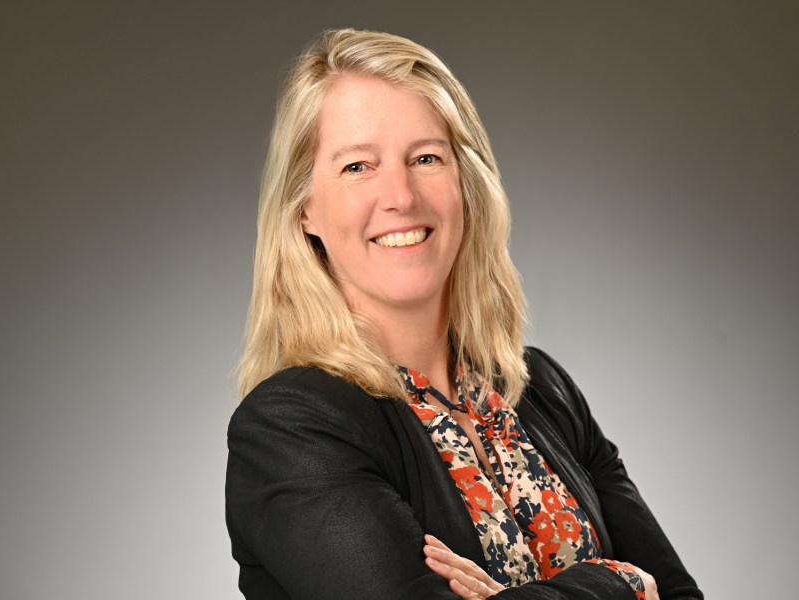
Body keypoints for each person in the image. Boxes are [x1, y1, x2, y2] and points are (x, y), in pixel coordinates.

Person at [225, 28, 702, 600]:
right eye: (358, 166)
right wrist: (613, 581)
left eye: (426, 157)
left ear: (466, 184)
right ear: (304, 210)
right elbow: (647, 588)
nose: (400, 195)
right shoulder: (291, 428)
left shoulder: (541, 389)